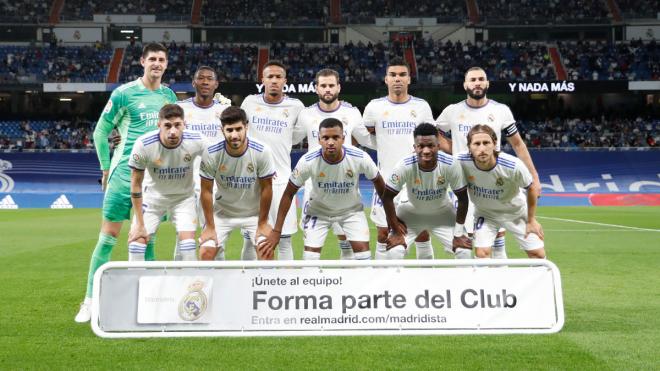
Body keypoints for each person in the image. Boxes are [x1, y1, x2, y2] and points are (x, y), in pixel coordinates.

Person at [75, 43, 177, 323]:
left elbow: (174, 134)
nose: (157, 64)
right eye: (152, 59)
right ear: (142, 62)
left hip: (155, 180)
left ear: (166, 64)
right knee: (108, 236)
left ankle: (152, 303)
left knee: (149, 237)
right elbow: (100, 131)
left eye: (161, 60)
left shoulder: (168, 95)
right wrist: (105, 167)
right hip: (123, 175)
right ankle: (90, 301)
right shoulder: (124, 94)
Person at [436, 66, 541, 259]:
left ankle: (500, 285)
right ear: (465, 84)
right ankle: (472, 283)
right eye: (473, 79)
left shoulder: (500, 110)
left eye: (481, 79)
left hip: (493, 180)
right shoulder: (452, 111)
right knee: (465, 239)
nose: (477, 83)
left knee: (497, 238)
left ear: (487, 83)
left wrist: (534, 175)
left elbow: (518, 144)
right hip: (463, 182)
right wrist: (454, 150)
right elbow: (436, 133)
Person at [263, 118, 385, 261]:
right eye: (326, 138)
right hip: (318, 212)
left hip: (351, 211)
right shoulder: (307, 160)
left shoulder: (360, 157)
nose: (331, 142)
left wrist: (392, 220)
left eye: (335, 137)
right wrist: (277, 230)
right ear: (319, 139)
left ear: (343, 138)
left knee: (364, 256)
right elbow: (289, 194)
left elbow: (380, 185)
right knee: (309, 258)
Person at [295, 68, 375, 259]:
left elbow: (366, 140)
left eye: (331, 85)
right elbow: (289, 139)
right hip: (314, 187)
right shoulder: (306, 115)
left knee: (346, 242)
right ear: (316, 88)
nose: (327, 89)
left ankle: (344, 286)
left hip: (344, 185)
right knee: (311, 249)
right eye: (323, 86)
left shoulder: (352, 112)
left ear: (339, 87)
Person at [362, 57, 435, 260]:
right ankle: (383, 285)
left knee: (421, 233)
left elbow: (431, 141)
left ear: (409, 79)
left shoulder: (421, 107)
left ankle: (426, 282)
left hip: (417, 181)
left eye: (402, 75)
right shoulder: (374, 107)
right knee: (384, 233)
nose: (397, 79)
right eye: (393, 75)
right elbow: (366, 135)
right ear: (386, 79)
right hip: (385, 182)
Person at [240, 60, 305, 260]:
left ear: (285, 81)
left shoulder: (295, 106)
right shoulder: (250, 102)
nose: (274, 81)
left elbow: (297, 136)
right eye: (270, 77)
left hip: (282, 181)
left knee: (284, 238)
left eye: (278, 77)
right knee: (250, 238)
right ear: (263, 80)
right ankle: (249, 280)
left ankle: (284, 284)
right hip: (252, 180)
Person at [127, 104, 206, 261]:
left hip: (183, 198)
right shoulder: (144, 144)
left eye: (178, 125)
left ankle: (189, 285)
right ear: (159, 125)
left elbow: (217, 161)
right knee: (136, 244)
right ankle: (138, 285)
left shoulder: (197, 140)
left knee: (189, 247)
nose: (173, 131)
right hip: (152, 199)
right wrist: (139, 224)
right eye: (167, 126)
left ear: (184, 124)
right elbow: (136, 184)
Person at [382, 123, 472, 260]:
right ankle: (397, 281)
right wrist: (395, 229)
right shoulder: (404, 165)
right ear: (414, 147)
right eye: (421, 146)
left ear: (438, 146)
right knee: (394, 251)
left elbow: (463, 199)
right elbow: (387, 197)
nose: (426, 150)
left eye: (430, 146)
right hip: (411, 213)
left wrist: (458, 234)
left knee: (464, 251)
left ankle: (461, 281)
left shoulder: (451, 164)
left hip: (443, 214)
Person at [197, 106, 275, 260]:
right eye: (229, 130)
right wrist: (210, 227)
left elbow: (267, 188)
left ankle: (263, 284)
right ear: (222, 130)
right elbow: (206, 191)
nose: (234, 135)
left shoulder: (262, 151)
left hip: (255, 214)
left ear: (246, 127)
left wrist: (263, 222)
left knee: (266, 251)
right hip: (222, 213)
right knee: (206, 253)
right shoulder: (212, 153)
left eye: (238, 129)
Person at [457, 125, 545, 259]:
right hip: (486, 215)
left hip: (515, 213)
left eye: (486, 143)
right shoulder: (460, 161)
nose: (482, 148)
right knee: (482, 254)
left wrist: (531, 220)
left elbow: (531, 187)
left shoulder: (512, 165)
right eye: (477, 144)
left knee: (537, 254)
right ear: (469, 146)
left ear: (495, 144)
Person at [174, 66, 230, 261]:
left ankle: (220, 281)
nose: (205, 82)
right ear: (193, 82)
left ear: (216, 84)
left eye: (209, 79)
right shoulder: (180, 109)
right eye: (201, 78)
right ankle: (179, 282)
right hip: (186, 183)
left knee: (216, 238)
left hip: (216, 184)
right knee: (183, 238)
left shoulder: (224, 111)